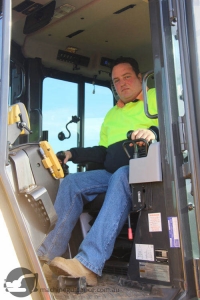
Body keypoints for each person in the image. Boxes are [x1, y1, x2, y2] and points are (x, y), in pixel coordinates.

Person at [37, 57, 159, 286]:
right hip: (113, 173)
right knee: (72, 182)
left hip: (147, 172)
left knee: (122, 174)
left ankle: (89, 264)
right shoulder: (112, 114)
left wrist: (152, 131)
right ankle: (45, 257)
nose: (122, 84)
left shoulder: (156, 98)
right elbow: (103, 152)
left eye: (127, 77)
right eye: (116, 81)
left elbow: (175, 126)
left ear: (140, 78)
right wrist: (71, 153)